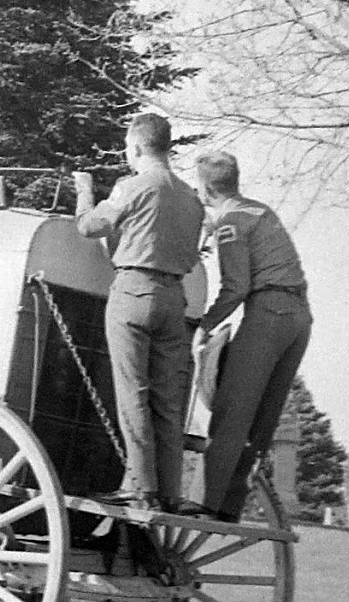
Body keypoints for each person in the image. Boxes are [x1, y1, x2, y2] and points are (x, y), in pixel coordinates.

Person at [73, 112, 205, 510]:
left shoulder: (131, 187)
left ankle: (141, 486)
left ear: (135, 147)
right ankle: (170, 491)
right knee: (168, 400)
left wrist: (84, 191)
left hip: (133, 292)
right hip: (174, 298)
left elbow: (89, 227)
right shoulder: (191, 198)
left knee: (133, 392)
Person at [193, 150, 312, 522]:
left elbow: (236, 288)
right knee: (263, 420)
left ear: (205, 189)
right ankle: (229, 507)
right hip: (299, 319)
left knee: (233, 409)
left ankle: (202, 503)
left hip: (269, 315)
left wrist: (204, 324)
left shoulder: (230, 222)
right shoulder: (259, 210)